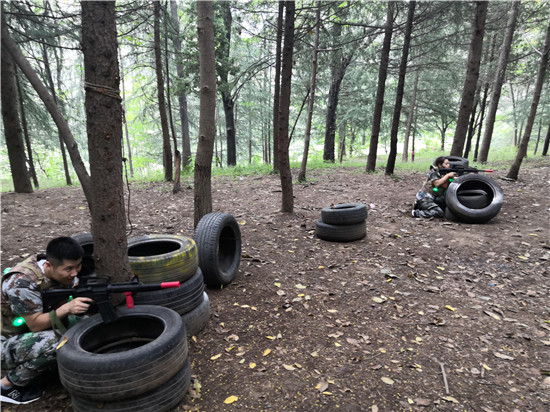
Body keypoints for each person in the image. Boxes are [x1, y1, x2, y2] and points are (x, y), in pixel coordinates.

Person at [1, 237, 93, 405]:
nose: (75, 273)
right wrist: (66, 308)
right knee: (57, 341)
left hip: (24, 332)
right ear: (49, 266)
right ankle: (7, 386)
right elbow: (36, 325)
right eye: (69, 269)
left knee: (84, 324)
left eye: (78, 266)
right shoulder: (21, 283)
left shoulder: (61, 273)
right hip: (5, 339)